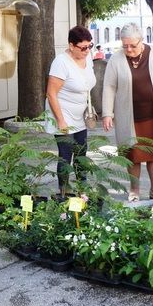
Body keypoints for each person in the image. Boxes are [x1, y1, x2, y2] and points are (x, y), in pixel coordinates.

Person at [102, 23, 153, 202]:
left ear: (141, 41)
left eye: (133, 45)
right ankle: (134, 189)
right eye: (125, 45)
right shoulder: (116, 59)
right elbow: (109, 86)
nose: (128, 49)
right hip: (129, 116)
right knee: (133, 154)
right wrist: (107, 113)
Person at [45, 25, 96, 195]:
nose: (87, 51)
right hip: (62, 112)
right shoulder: (61, 62)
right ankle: (64, 190)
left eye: (90, 46)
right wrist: (60, 120)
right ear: (71, 46)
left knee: (82, 150)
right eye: (82, 48)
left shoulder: (87, 58)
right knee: (65, 153)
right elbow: (51, 93)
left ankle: (82, 187)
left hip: (80, 113)